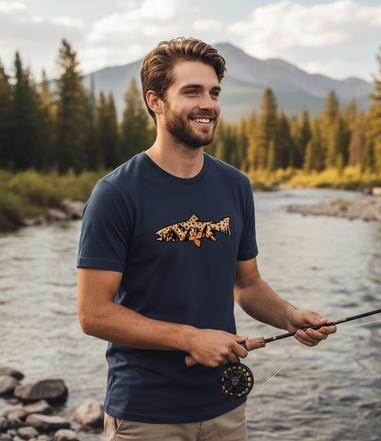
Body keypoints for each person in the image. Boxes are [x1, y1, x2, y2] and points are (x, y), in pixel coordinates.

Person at [77, 37, 336, 441]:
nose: (209, 104)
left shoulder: (235, 185)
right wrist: (190, 339)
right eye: (192, 91)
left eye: (214, 92)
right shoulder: (115, 194)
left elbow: (246, 283)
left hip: (227, 408)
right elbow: (93, 313)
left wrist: (289, 316)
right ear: (156, 101)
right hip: (147, 415)